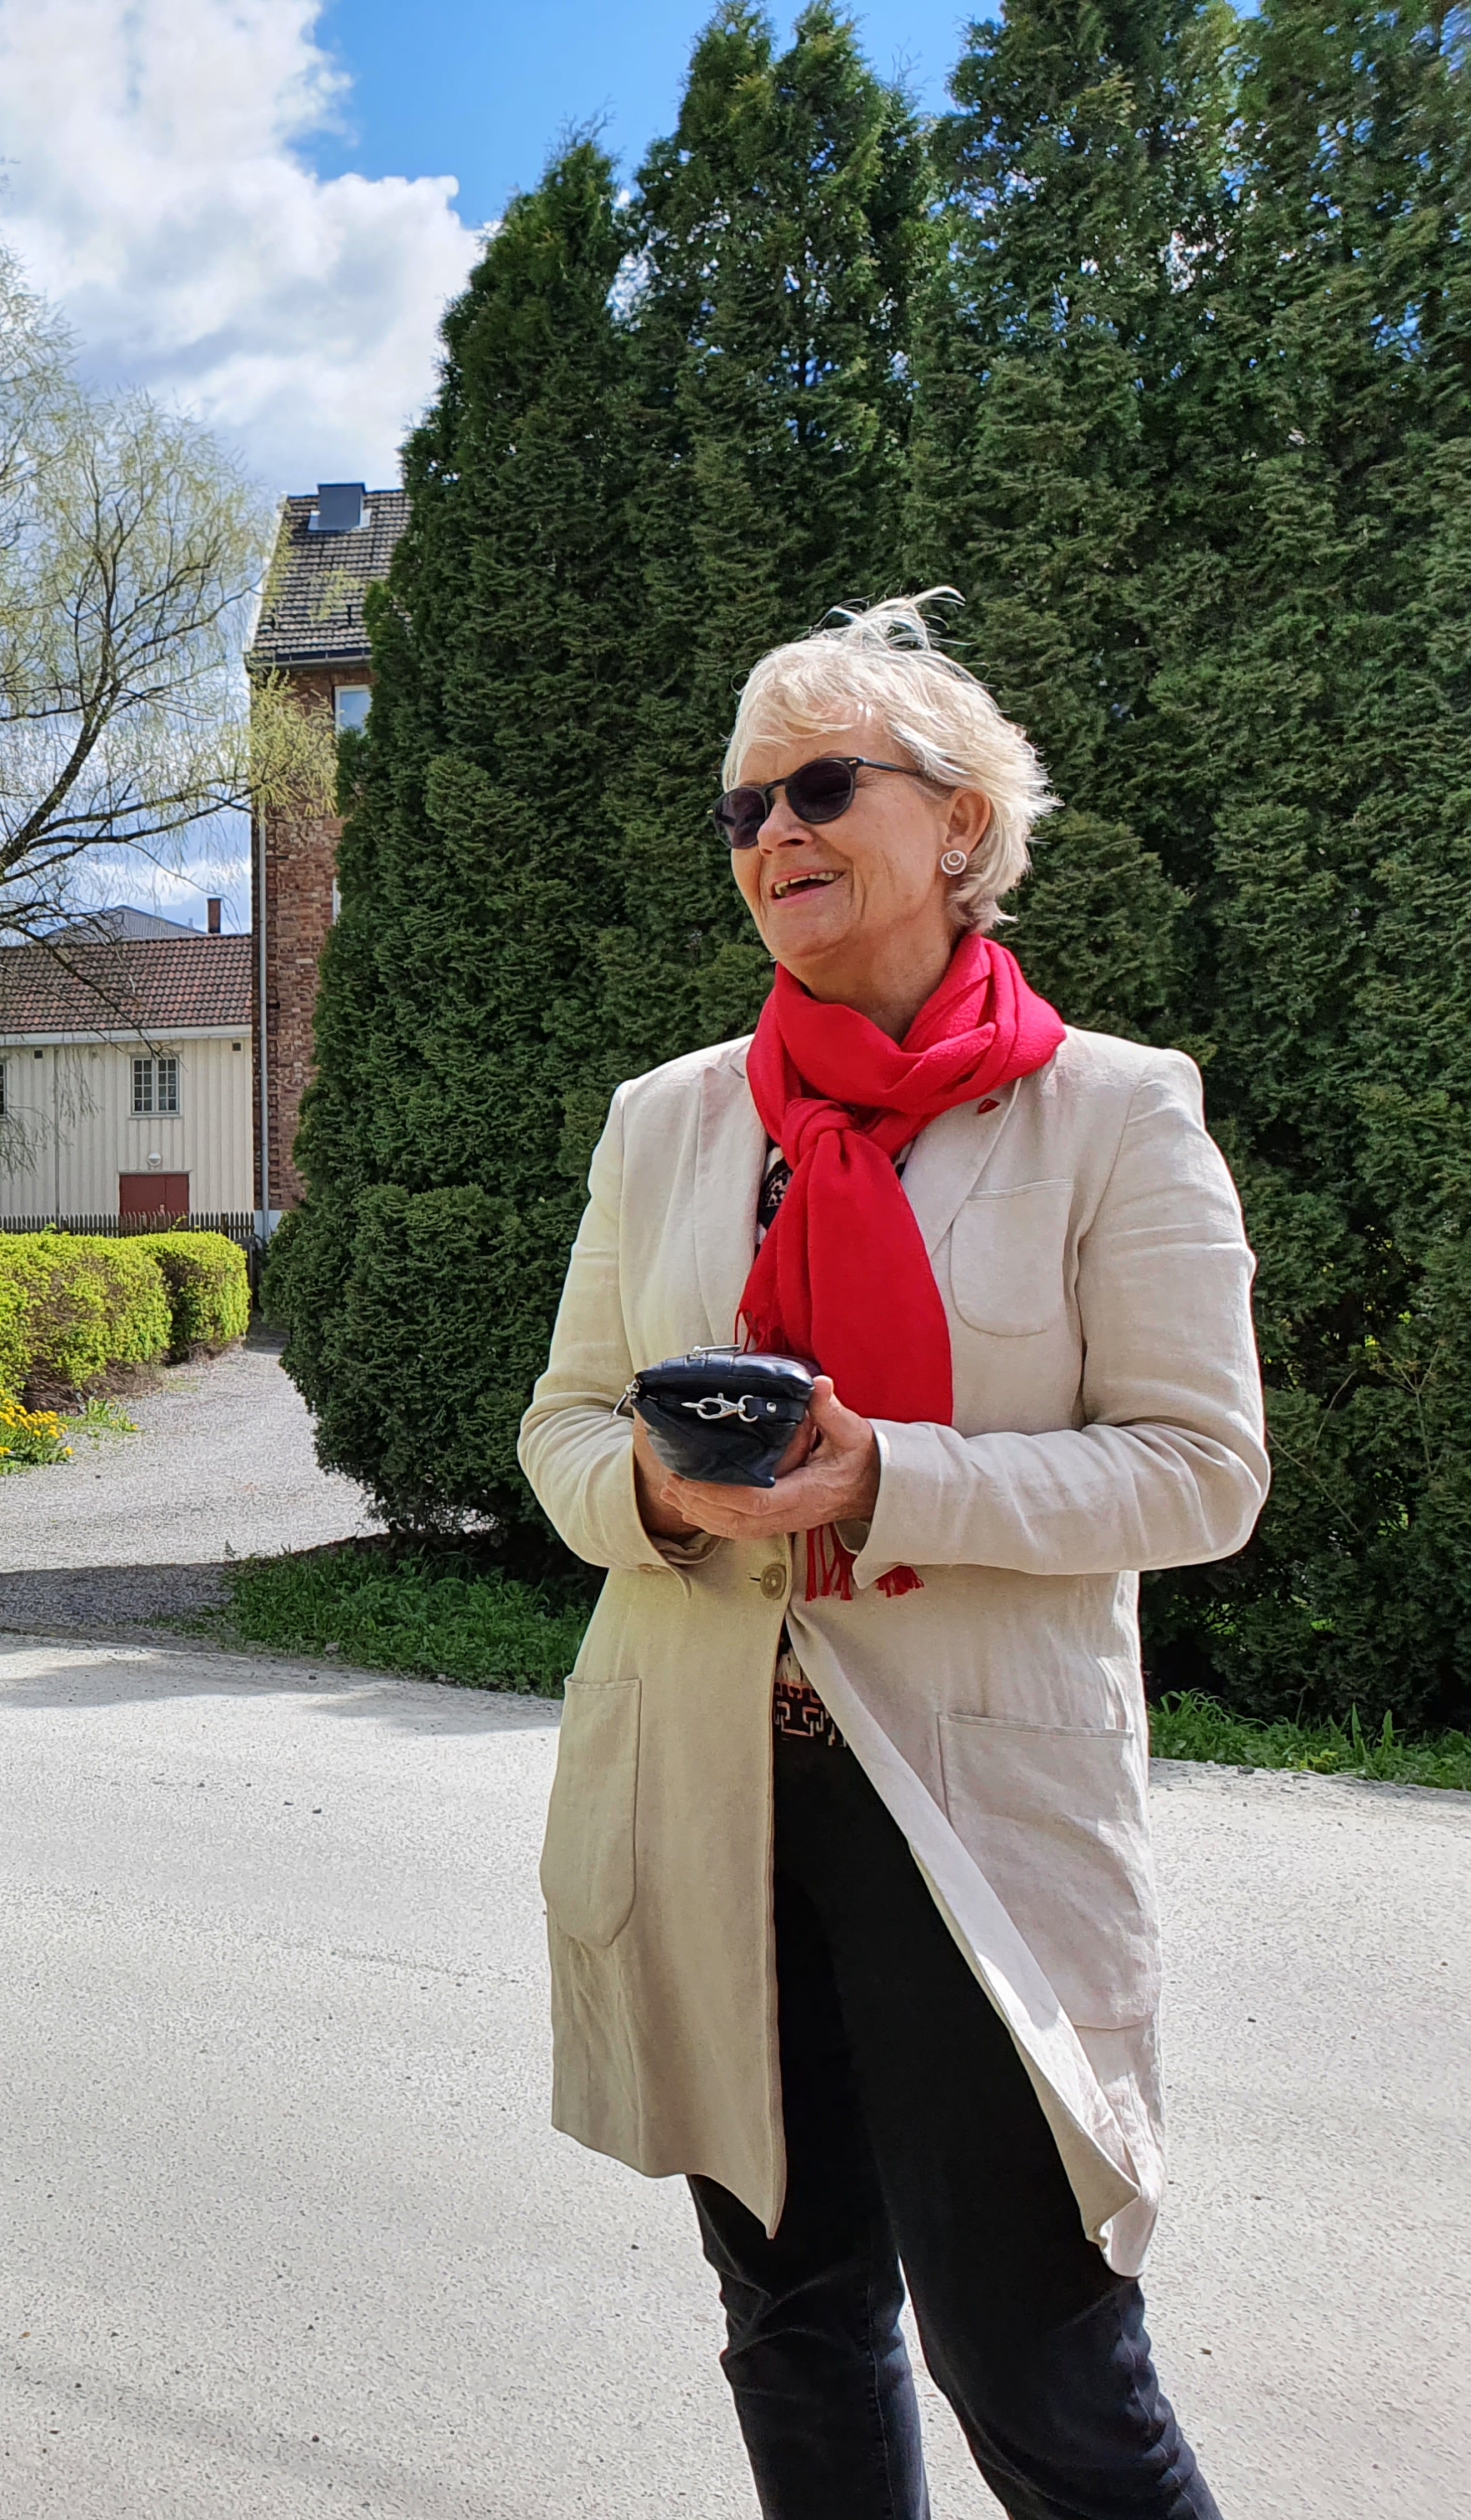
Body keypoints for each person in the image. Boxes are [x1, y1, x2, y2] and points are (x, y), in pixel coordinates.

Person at [518, 596, 1266, 2519]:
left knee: (1038, 2358)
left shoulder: (1116, 1113)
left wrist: (887, 1482)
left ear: (961, 823)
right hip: (711, 1789)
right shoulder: (669, 1124)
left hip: (970, 1804)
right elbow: (566, 1425)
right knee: (791, 2314)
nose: (771, 832)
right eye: (744, 805)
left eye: (821, 786)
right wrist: (671, 1499)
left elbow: (1201, 1474)